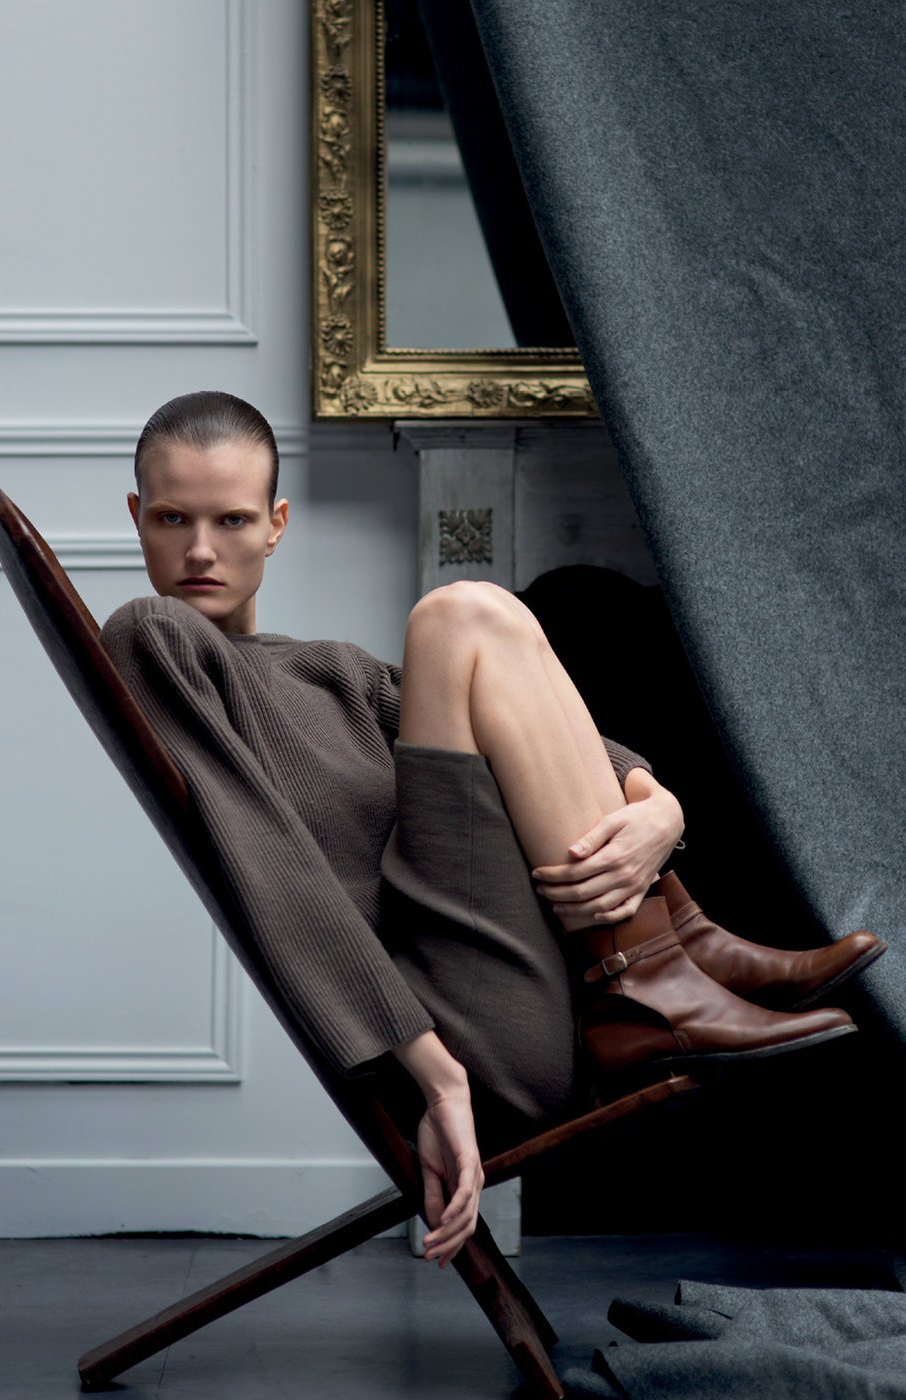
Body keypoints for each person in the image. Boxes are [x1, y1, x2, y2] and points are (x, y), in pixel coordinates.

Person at [102, 391, 885, 1269]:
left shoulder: (329, 670)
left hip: (519, 980)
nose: (201, 550)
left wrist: (658, 806)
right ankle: (651, 969)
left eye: (232, 519)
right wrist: (434, 1077)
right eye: (172, 518)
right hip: (462, 1032)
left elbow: (532, 719)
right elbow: (276, 875)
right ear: (136, 517)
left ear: (276, 525)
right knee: (462, 613)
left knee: (487, 623)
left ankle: (675, 948)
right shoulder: (153, 635)